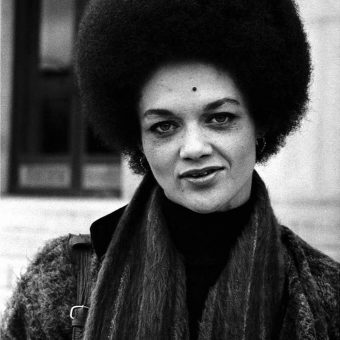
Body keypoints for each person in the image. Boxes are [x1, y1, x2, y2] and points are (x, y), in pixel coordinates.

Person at [1, 0, 339, 339]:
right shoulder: (62, 281)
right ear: (138, 140)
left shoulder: (326, 296)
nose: (193, 148)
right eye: (164, 126)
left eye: (220, 118)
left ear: (260, 123)